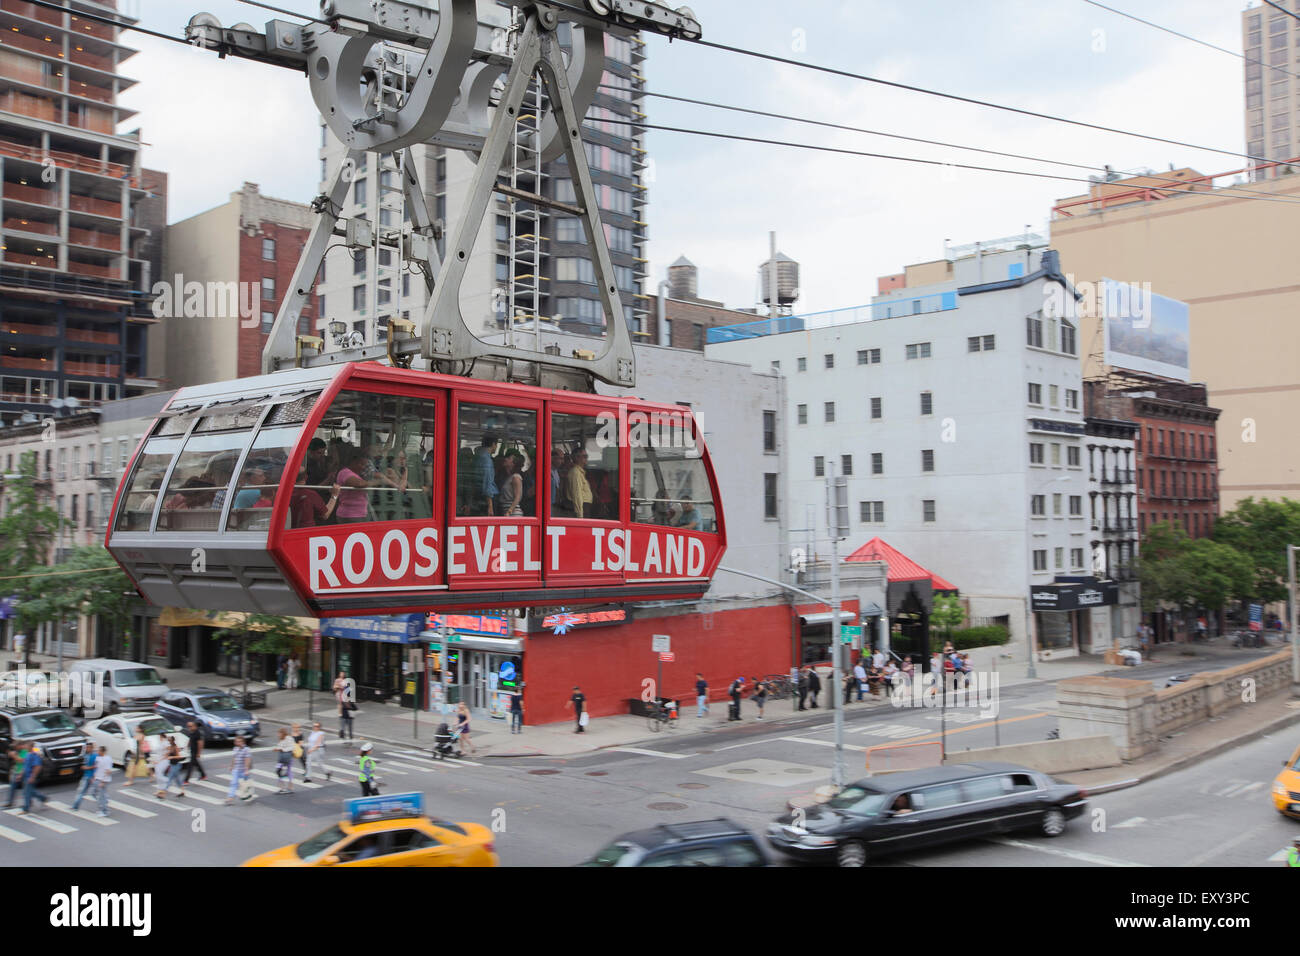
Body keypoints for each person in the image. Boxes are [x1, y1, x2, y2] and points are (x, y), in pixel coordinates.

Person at [334, 450, 372, 523]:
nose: (363, 467)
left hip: (358, 514)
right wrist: (376, 482)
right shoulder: (345, 472)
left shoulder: (355, 474)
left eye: (365, 465)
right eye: (361, 464)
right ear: (353, 462)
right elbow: (359, 484)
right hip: (351, 515)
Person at [564, 449, 593, 518]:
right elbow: (577, 495)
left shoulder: (579, 472)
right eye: (585, 456)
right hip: (582, 507)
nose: (587, 458)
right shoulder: (575, 473)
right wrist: (580, 515)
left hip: (584, 507)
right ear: (577, 457)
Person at [224, 736, 253, 805]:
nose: (237, 743)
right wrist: (231, 766)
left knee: (245, 785)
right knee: (234, 783)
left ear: (243, 742)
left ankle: (248, 795)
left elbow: (248, 759)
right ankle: (230, 797)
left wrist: (246, 769)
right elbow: (234, 758)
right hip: (236, 769)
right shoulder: (235, 749)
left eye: (239, 741)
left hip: (243, 770)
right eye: (236, 741)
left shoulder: (246, 749)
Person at [21, 744, 49, 813]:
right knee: (29, 791)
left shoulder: (35, 755)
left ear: (31, 747)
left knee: (27, 792)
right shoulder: (27, 754)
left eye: (27, 746)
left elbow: (37, 767)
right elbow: (25, 765)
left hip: (31, 776)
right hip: (26, 776)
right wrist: (21, 774)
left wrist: (32, 776)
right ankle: (43, 798)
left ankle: (26, 808)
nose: (25, 747)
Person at [70, 745, 97, 811]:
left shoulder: (95, 756)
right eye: (86, 747)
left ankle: (104, 803)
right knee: (81, 792)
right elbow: (82, 766)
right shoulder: (85, 756)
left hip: (92, 777)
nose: (87, 749)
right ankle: (75, 806)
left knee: (94, 793)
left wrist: (90, 769)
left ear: (92, 748)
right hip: (86, 776)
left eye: (88, 747)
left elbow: (96, 766)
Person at [497, 451, 524, 516]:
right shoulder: (508, 477)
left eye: (509, 458)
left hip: (513, 514)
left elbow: (518, 496)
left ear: (513, 464)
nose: (505, 459)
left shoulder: (516, 477)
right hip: (506, 511)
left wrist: (509, 511)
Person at [89, 746, 112, 818]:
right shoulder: (98, 758)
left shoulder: (107, 759)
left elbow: (108, 771)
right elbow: (96, 768)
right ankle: (105, 800)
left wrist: (103, 781)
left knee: (101, 796)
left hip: (102, 780)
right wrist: (93, 777)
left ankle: (104, 811)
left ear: (103, 752)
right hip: (97, 778)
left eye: (99, 751)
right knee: (93, 793)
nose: (97, 752)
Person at [4, 740, 27, 808]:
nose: (15, 748)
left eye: (16, 746)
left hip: (24, 772)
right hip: (17, 771)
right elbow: (16, 761)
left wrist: (14, 756)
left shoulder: (25, 751)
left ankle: (41, 798)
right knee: (12, 787)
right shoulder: (18, 751)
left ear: (20, 745)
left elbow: (22, 760)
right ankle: (10, 802)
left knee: (27, 789)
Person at [274, 727, 295, 794]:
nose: (278, 735)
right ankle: (283, 788)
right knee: (278, 771)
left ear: (283, 733)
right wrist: (277, 748)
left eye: (279, 733)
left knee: (288, 772)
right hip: (281, 758)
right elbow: (280, 746)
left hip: (287, 758)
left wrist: (282, 749)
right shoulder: (281, 739)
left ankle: (289, 788)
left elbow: (292, 747)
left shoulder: (289, 738)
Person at [334, 672, 355, 739]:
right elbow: (335, 687)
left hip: (347, 712)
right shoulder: (337, 680)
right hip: (340, 697)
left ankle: (346, 734)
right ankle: (344, 733)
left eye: (343, 674)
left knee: (347, 724)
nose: (342, 675)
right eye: (341, 674)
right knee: (345, 723)